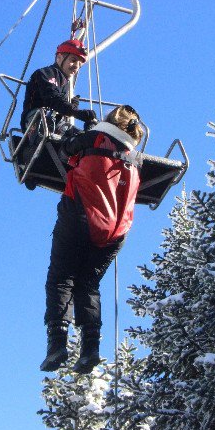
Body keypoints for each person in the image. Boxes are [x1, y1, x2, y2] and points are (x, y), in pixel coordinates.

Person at [41, 105, 144, 374]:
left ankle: (57, 343)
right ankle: (90, 349)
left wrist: (73, 132)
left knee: (62, 277)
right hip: (116, 230)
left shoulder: (93, 138)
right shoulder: (136, 157)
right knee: (88, 284)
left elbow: (65, 150)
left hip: (82, 214)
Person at [20, 39, 97, 139]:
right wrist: (75, 111)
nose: (76, 67)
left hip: (57, 123)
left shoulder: (65, 84)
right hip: (38, 122)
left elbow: (60, 105)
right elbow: (52, 98)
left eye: (79, 65)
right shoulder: (46, 73)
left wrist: (73, 105)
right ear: (59, 58)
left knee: (88, 139)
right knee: (74, 142)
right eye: (73, 60)